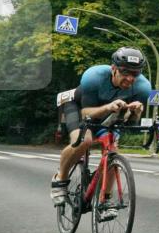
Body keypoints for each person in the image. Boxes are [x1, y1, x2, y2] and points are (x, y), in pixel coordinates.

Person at [52, 47, 151, 219]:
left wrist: (136, 111)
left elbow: (130, 122)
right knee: (84, 141)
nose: (130, 78)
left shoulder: (143, 87)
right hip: (78, 106)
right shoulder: (93, 77)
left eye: (135, 74)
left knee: (112, 151)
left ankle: (105, 200)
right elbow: (85, 113)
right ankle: (60, 179)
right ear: (113, 68)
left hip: (107, 115)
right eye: (125, 72)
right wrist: (107, 107)